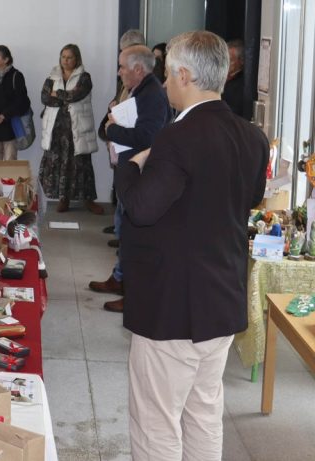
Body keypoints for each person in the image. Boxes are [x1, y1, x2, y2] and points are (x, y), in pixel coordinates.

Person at [117, 31, 268, 460]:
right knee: (203, 412)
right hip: (221, 296)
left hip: (173, 306)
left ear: (185, 75)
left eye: (167, 76)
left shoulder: (175, 139)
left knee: (156, 419)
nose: (164, 85)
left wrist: (131, 166)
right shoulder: (251, 136)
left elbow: (143, 208)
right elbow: (249, 199)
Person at [88, 44, 173, 313]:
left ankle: (132, 292)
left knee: (135, 237)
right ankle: (119, 279)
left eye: (122, 66)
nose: (119, 71)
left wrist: (113, 131)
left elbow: (148, 138)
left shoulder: (153, 95)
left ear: (138, 69)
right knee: (125, 232)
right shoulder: (139, 90)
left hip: (142, 175)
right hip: (131, 172)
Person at [39, 44, 102, 214]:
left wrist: (57, 94)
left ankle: (88, 200)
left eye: (69, 57)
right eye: (63, 57)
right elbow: (44, 97)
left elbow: (76, 95)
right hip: (56, 129)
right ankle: (63, 199)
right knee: (60, 164)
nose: (65, 60)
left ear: (77, 59)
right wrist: (63, 96)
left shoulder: (84, 77)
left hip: (77, 128)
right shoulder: (52, 76)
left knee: (82, 165)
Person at [99, 29, 146, 237]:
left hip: (131, 142)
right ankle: (119, 228)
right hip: (121, 138)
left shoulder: (147, 84)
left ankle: (123, 233)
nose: (120, 69)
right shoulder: (128, 79)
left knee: (128, 190)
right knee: (120, 186)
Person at [222, 39, 248, 119]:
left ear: (241, 61)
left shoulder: (242, 84)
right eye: (223, 58)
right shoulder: (218, 76)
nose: (224, 63)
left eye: (229, 59)